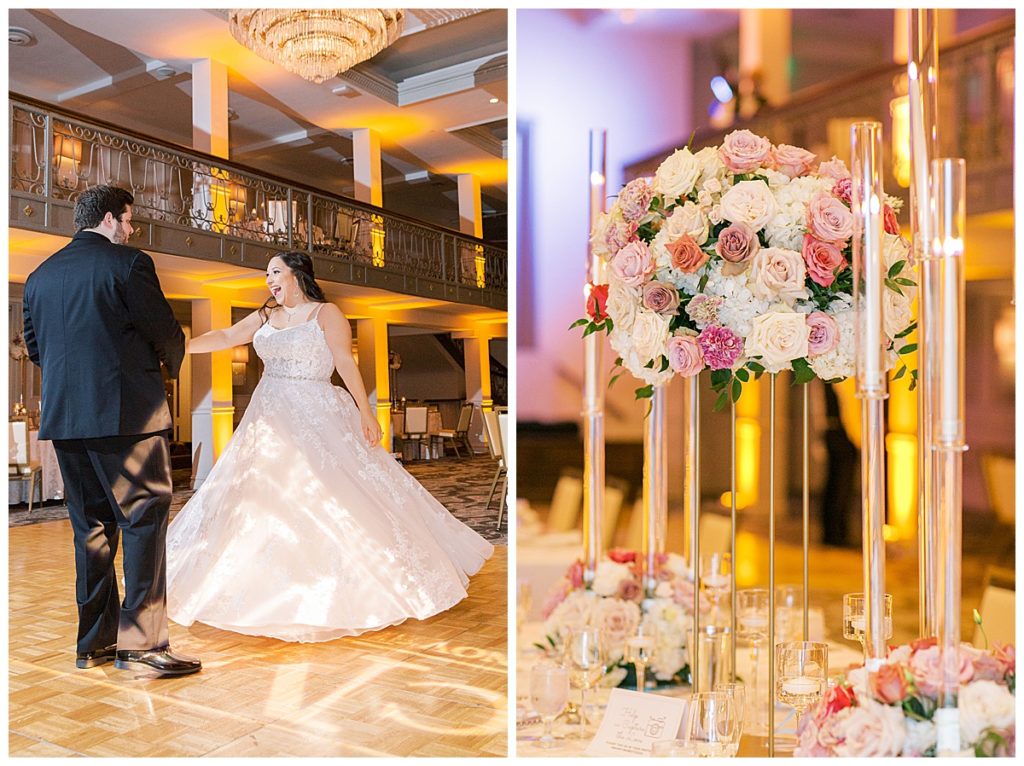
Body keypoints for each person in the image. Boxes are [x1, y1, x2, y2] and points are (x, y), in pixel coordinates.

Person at [165, 252, 493, 641]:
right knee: (260, 499)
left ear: (296, 274)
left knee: (332, 495)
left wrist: (366, 412)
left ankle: (349, 584)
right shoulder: (267, 315)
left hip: (315, 412)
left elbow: (344, 362)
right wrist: (177, 348)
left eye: (275, 272)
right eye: (266, 274)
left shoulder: (326, 314)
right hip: (268, 417)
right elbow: (225, 337)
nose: (268, 280)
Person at [23, 184, 201, 677]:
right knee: (143, 521)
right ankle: (142, 647)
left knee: (92, 530)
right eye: (127, 219)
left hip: (67, 423)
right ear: (107, 218)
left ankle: (95, 644)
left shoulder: (39, 277)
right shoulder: (129, 264)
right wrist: (165, 367)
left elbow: (36, 350)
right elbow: (164, 330)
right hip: (128, 418)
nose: (131, 229)